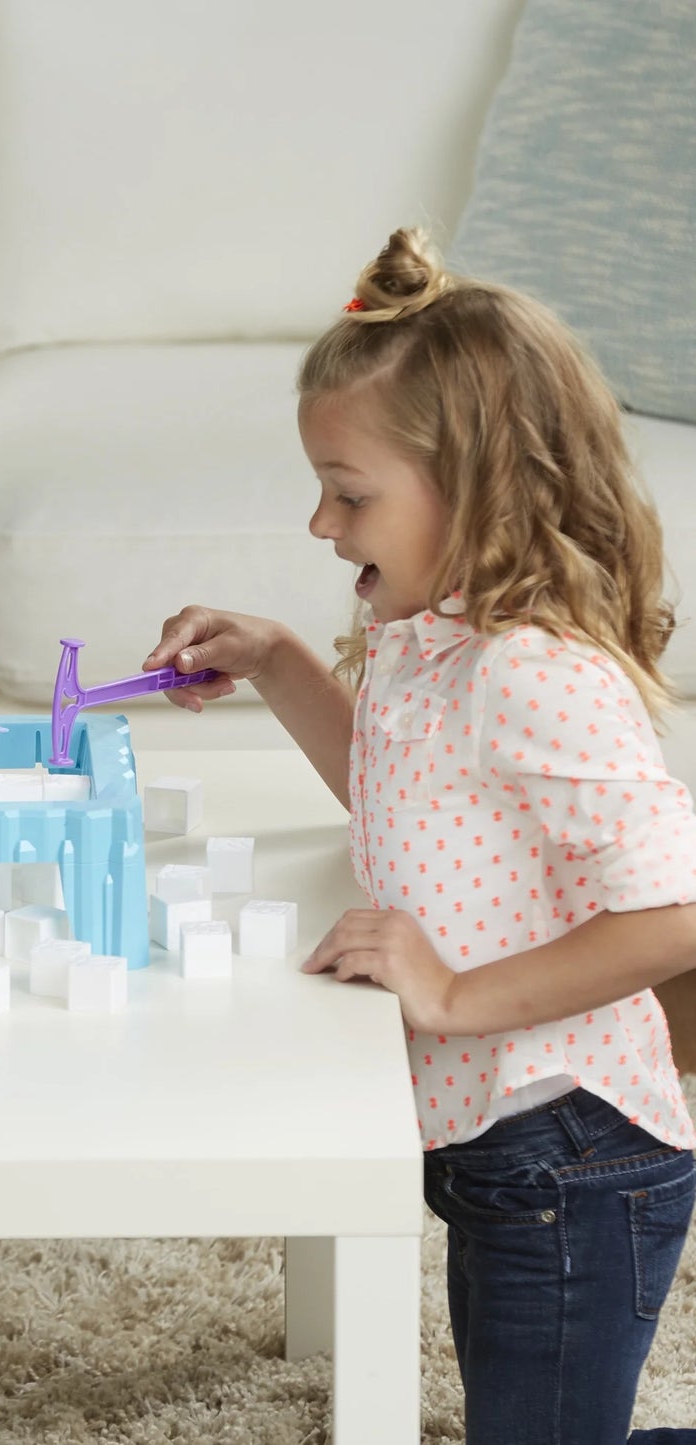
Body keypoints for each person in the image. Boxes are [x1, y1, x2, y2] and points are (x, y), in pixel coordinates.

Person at [144, 229, 696, 1445]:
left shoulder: (529, 670)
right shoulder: (432, 633)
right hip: (505, 1143)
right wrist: (277, 659)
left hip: (570, 1151)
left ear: (483, 488)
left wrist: (450, 992)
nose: (319, 522)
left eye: (349, 494)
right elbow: (399, 796)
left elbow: (673, 915)